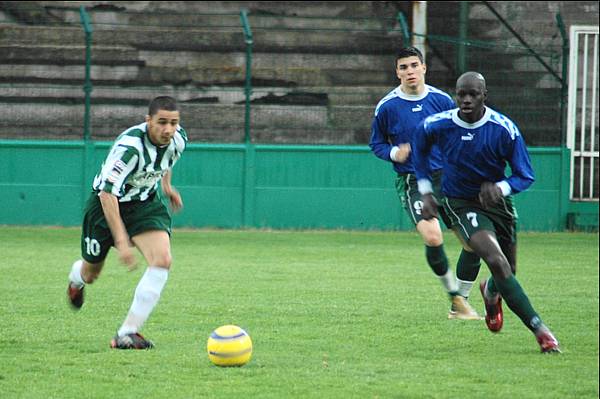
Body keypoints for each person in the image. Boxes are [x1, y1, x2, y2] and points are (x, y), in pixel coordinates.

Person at [412, 71, 561, 353]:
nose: (466, 100)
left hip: (498, 204)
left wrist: (501, 188)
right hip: (460, 202)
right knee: (496, 259)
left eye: (473, 94)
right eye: (461, 94)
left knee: (508, 269)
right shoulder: (438, 124)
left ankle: (491, 292)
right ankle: (541, 330)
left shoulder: (503, 128)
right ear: (456, 95)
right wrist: (426, 190)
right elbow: (419, 146)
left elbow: (525, 175)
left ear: (484, 96)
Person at [369, 47, 482, 320]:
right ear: (397, 72)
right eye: (403, 67)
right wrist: (395, 153)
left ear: (424, 68)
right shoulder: (387, 106)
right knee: (433, 236)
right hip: (413, 181)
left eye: (413, 65)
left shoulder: (441, 101)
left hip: (449, 178)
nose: (409, 71)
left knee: (474, 245)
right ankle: (455, 297)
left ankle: (460, 304)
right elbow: (377, 143)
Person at [67, 96, 187, 350]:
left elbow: (165, 162)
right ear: (148, 121)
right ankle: (76, 278)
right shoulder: (130, 148)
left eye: (173, 123)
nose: (168, 129)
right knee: (91, 274)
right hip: (104, 207)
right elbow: (107, 193)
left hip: (144, 204)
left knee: (162, 260)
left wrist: (166, 187)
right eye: (161, 122)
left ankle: (127, 333)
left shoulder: (178, 139)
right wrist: (121, 241)